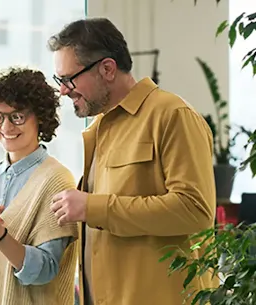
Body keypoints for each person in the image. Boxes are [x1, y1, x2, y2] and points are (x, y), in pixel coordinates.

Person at [46, 17, 218, 305]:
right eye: (60, 81)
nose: (63, 90)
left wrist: (93, 207)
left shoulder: (172, 115)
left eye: (69, 79)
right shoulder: (98, 128)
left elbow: (195, 210)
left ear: (107, 69)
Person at [0, 66, 79, 305]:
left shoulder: (57, 180)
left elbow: (45, 270)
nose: (6, 127)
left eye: (17, 116)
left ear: (40, 117)